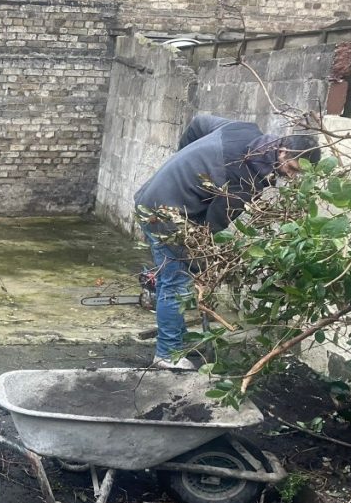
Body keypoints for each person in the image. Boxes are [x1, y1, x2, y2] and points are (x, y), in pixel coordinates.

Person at [133, 115, 321, 370]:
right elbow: (212, 229)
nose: (294, 177)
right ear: (283, 151)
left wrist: (181, 161)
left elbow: (198, 123)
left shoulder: (243, 130)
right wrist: (204, 266)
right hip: (163, 214)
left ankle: (176, 338)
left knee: (181, 274)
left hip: (159, 196)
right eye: (294, 169)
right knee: (177, 283)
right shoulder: (244, 181)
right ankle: (167, 355)